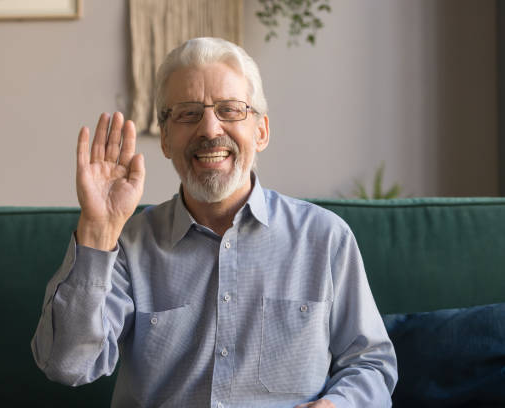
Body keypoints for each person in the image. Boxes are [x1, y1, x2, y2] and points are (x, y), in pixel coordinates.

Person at [32, 37, 397, 408]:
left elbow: (371, 363)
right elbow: (70, 366)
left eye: (230, 110)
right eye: (188, 113)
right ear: (166, 140)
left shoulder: (325, 238)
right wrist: (97, 229)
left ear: (261, 131)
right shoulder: (128, 244)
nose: (209, 130)